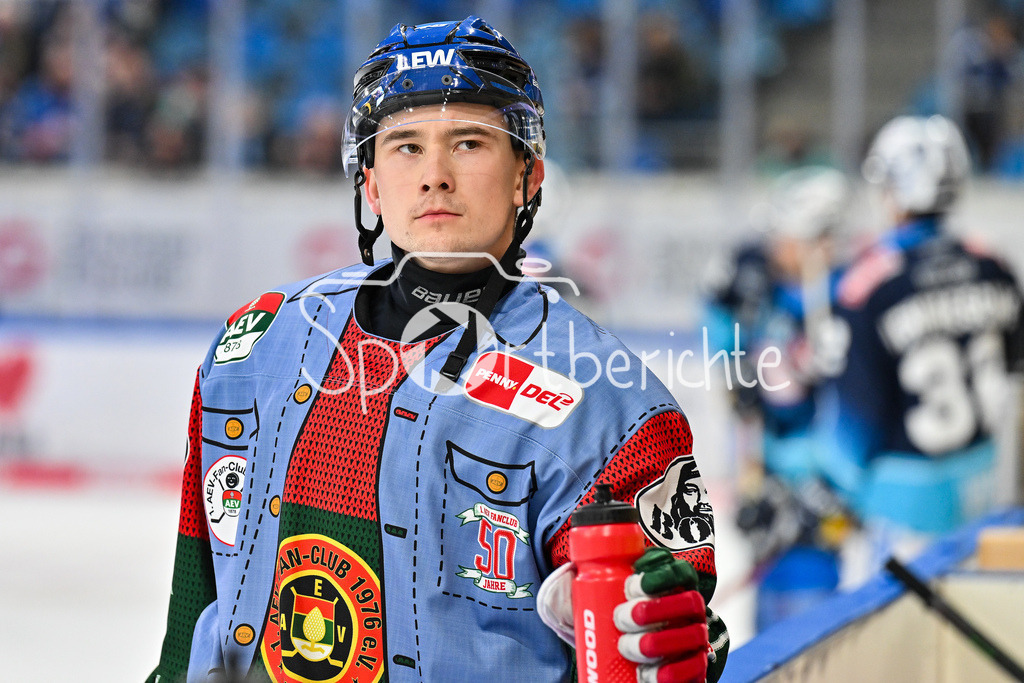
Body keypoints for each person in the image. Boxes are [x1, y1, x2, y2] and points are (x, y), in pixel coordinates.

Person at [148, 16, 728, 683]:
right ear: (369, 182)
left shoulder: (609, 402)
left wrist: (655, 621)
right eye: (404, 147)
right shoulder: (257, 341)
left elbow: (669, 613)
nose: (435, 177)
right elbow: (198, 582)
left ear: (527, 177)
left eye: (470, 143)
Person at [816, 114, 1024, 574]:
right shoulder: (996, 267)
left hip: (901, 513)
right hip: (984, 493)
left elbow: (853, 429)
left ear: (895, 190)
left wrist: (826, 488)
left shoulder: (869, 286)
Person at [702, 166, 855, 630]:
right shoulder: (758, 282)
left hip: (820, 482)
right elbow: (735, 377)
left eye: (786, 237)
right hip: (768, 467)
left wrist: (832, 490)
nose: (775, 248)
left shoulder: (844, 296)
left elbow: (845, 409)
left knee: (810, 610)